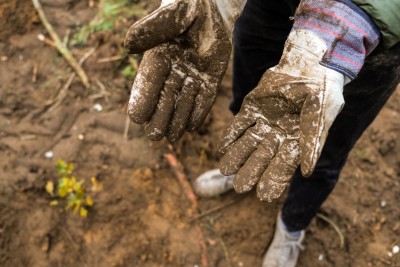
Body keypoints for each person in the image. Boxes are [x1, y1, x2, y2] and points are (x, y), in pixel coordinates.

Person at [124, 0, 400, 266]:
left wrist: (345, 25)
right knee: (255, 105)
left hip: (367, 29)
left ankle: (292, 227)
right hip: (269, 5)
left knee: (321, 144)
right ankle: (239, 166)